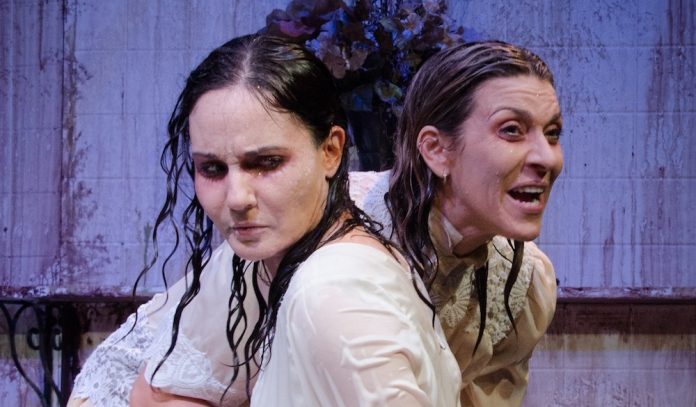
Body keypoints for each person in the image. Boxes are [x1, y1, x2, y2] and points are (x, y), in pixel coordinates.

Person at [67, 34, 461, 407]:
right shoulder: (287, 263)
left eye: (267, 163)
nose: (237, 198)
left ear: (331, 151)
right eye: (212, 169)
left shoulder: (331, 287)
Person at [349, 40, 562, 406]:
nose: (546, 158)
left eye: (553, 133)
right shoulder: (334, 226)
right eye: (512, 130)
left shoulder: (524, 281)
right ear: (436, 149)